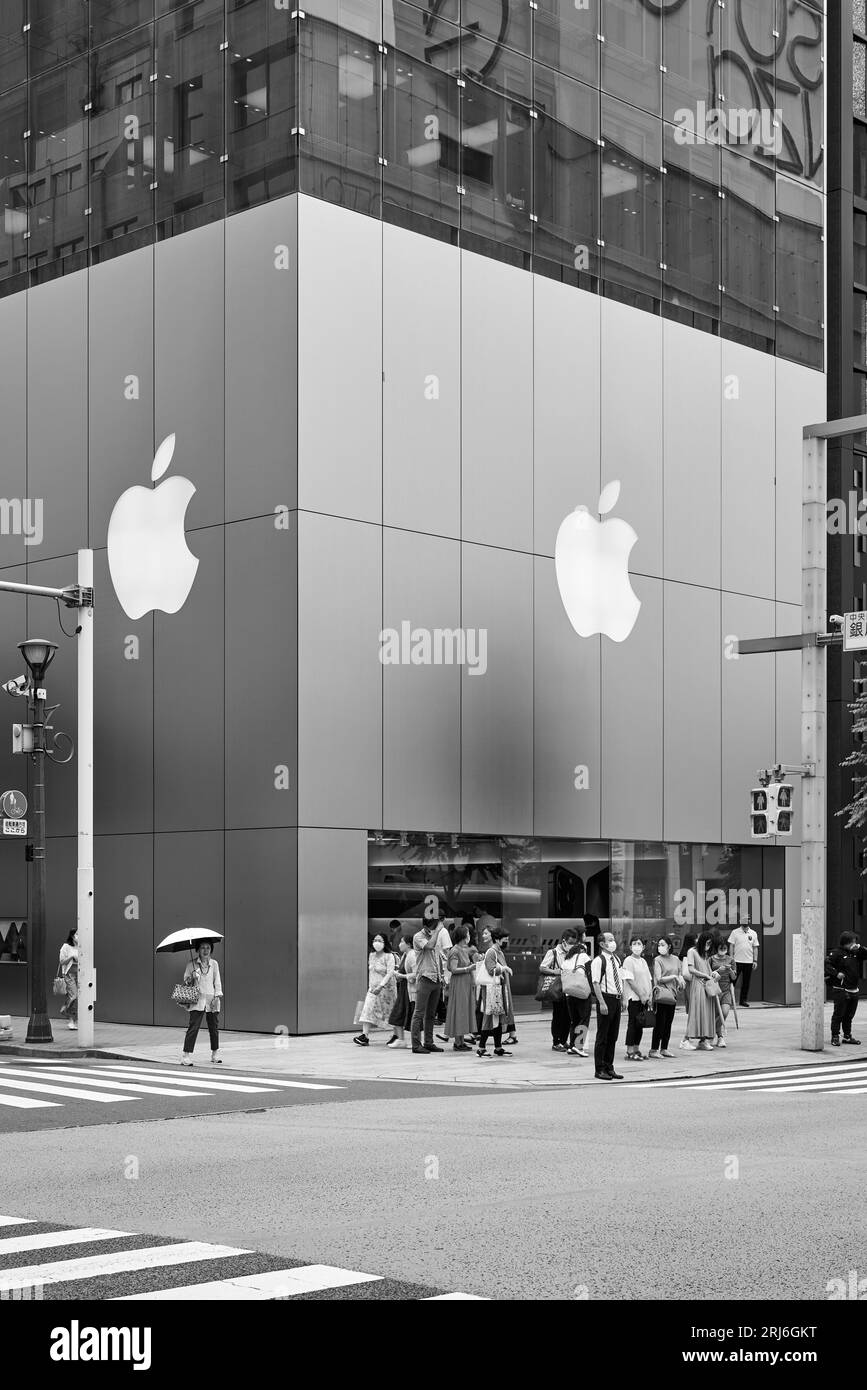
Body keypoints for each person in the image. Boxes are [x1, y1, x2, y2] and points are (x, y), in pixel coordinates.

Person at [181, 940, 223, 1065]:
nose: (205, 950)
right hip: (197, 1000)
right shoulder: (191, 964)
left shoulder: (214, 964)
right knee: (193, 1027)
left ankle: (215, 1054)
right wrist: (192, 977)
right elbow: (186, 981)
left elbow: (217, 981)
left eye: (208, 948)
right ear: (198, 950)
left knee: (214, 1028)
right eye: (203, 948)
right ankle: (185, 1055)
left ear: (211, 950)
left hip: (211, 999)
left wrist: (217, 996)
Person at [590, 931, 624, 1080]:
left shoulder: (616, 959)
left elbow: (620, 979)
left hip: (616, 999)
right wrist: (602, 1002)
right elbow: (596, 983)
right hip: (606, 998)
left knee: (613, 1036)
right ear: (602, 944)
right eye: (609, 940)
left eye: (613, 939)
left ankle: (609, 1066)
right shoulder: (598, 960)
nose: (613, 942)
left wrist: (622, 998)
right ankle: (599, 1069)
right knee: (602, 1036)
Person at [539, 928, 578, 1052]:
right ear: (564, 941)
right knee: (558, 1015)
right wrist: (555, 971)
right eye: (570, 942)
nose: (571, 945)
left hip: (569, 987)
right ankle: (556, 1041)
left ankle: (563, 1040)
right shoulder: (553, 952)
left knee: (568, 1016)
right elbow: (542, 967)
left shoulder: (572, 952)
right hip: (557, 988)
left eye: (574, 943)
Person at [354, 934, 398, 1046]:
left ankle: (396, 1035)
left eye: (380, 940)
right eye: (375, 940)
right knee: (367, 1009)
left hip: (387, 989)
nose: (377, 942)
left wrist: (381, 986)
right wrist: (371, 987)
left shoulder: (389, 956)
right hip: (373, 989)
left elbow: (390, 973)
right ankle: (365, 1036)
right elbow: (371, 972)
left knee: (390, 1012)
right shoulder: (372, 955)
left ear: (385, 943)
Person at [411, 917, 446, 1054]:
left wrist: (441, 976)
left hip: (436, 979)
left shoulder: (433, 936)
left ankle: (429, 1042)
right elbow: (429, 946)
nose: (435, 929)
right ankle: (416, 1045)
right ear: (426, 926)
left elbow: (437, 956)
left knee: (431, 1014)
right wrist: (437, 931)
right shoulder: (418, 937)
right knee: (419, 1013)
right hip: (425, 978)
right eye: (433, 926)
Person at [477, 928, 514, 1059]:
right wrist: (503, 968)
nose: (507, 942)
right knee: (489, 1017)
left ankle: (498, 1047)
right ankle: (481, 1048)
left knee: (497, 1016)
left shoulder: (498, 951)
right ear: (497, 940)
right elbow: (491, 969)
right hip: (491, 990)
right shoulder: (492, 952)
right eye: (505, 940)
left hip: (498, 990)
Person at [825, 931, 867, 1046]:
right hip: (841, 988)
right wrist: (836, 973)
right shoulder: (836, 953)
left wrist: (860, 947)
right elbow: (826, 965)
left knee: (849, 1015)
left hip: (854, 988)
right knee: (838, 1014)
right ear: (846, 942)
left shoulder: (856, 953)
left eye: (855, 942)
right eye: (852, 942)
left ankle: (847, 1036)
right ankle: (835, 1036)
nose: (854, 944)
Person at [443, 924, 478, 1050]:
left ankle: (461, 1041)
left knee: (464, 1010)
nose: (469, 936)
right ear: (463, 936)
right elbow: (453, 969)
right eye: (468, 934)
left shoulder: (463, 949)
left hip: (465, 982)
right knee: (460, 1010)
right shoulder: (455, 950)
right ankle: (458, 1042)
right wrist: (468, 968)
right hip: (459, 983)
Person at [620, 936, 653, 1061]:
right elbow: (630, 980)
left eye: (639, 943)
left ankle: (636, 1049)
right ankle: (629, 1051)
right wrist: (641, 995)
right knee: (633, 1024)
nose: (637, 946)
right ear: (630, 947)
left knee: (641, 1024)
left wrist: (649, 996)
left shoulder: (643, 961)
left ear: (643, 947)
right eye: (634, 943)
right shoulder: (628, 960)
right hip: (634, 998)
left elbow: (649, 980)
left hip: (644, 998)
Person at [684, 931, 719, 1050]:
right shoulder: (692, 951)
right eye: (707, 942)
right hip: (698, 985)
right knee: (697, 1012)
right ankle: (686, 1039)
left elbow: (708, 969)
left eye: (710, 943)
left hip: (706, 986)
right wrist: (705, 975)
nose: (708, 945)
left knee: (706, 1013)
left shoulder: (705, 955)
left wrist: (713, 974)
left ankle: (703, 1040)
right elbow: (691, 969)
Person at [648, 936, 682, 1058]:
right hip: (661, 994)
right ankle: (653, 1049)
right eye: (659, 945)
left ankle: (664, 1048)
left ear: (669, 946)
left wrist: (680, 982)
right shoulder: (658, 959)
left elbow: (680, 974)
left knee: (668, 1022)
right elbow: (659, 978)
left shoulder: (676, 959)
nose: (660, 947)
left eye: (663, 944)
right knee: (659, 1023)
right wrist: (674, 977)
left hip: (672, 995)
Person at [561, 932, 592, 1056]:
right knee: (584, 1019)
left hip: (569, 993)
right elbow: (591, 972)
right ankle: (579, 1046)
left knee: (574, 1020)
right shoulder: (584, 957)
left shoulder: (567, 959)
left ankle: (572, 1046)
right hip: (582, 993)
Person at [386, 932, 416, 1048]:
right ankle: (401, 1039)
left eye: (401, 942)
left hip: (410, 990)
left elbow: (415, 974)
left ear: (408, 944)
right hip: (403, 988)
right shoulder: (404, 955)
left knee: (409, 1014)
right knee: (398, 1013)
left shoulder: (412, 955)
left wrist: (401, 976)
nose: (399, 944)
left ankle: (410, 1040)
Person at [710, 940, 737, 1047]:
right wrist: (719, 970)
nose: (723, 950)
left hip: (726, 990)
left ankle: (712, 1033)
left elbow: (734, 977)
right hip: (715, 989)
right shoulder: (711, 959)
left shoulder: (731, 959)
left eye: (724, 948)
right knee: (716, 1014)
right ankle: (720, 1037)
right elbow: (708, 975)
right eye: (720, 948)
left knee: (724, 1013)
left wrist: (730, 970)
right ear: (716, 948)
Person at [728, 921, 759, 1006]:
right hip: (736, 961)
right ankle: (728, 1000)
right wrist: (731, 959)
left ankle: (743, 1001)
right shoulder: (735, 932)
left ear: (749, 921)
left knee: (746, 982)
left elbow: (755, 947)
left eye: (747, 920)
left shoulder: (753, 933)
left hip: (749, 962)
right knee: (732, 981)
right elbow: (731, 946)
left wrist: (755, 960)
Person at [58, 929, 79, 1032]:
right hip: (69, 975)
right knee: (74, 996)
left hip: (80, 975)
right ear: (72, 936)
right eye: (77, 934)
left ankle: (73, 1021)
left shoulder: (81, 947)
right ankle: (66, 1010)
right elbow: (61, 962)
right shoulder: (66, 947)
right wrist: (71, 956)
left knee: (76, 999)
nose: (79, 936)